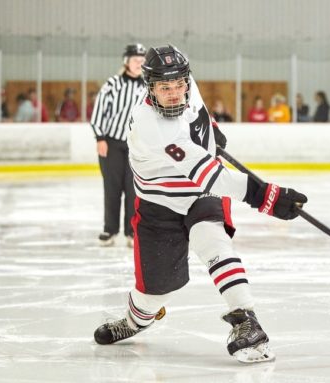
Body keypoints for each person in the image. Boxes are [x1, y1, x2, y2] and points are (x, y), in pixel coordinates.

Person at [92, 45, 308, 364]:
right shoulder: (151, 124)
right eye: (165, 88)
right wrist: (267, 197)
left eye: (179, 84)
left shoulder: (187, 87)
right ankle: (135, 321)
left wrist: (212, 131)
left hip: (199, 198)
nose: (175, 93)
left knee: (213, 240)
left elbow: (199, 113)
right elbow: (211, 175)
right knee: (153, 292)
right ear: (150, 88)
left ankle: (246, 320)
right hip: (159, 205)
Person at [90, 43, 147, 247]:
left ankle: (132, 232)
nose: (139, 63)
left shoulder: (147, 86)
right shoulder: (113, 84)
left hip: (136, 146)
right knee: (112, 188)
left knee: (133, 189)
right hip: (111, 143)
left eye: (142, 60)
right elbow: (99, 111)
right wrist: (100, 138)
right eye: (135, 60)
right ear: (126, 62)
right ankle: (109, 230)